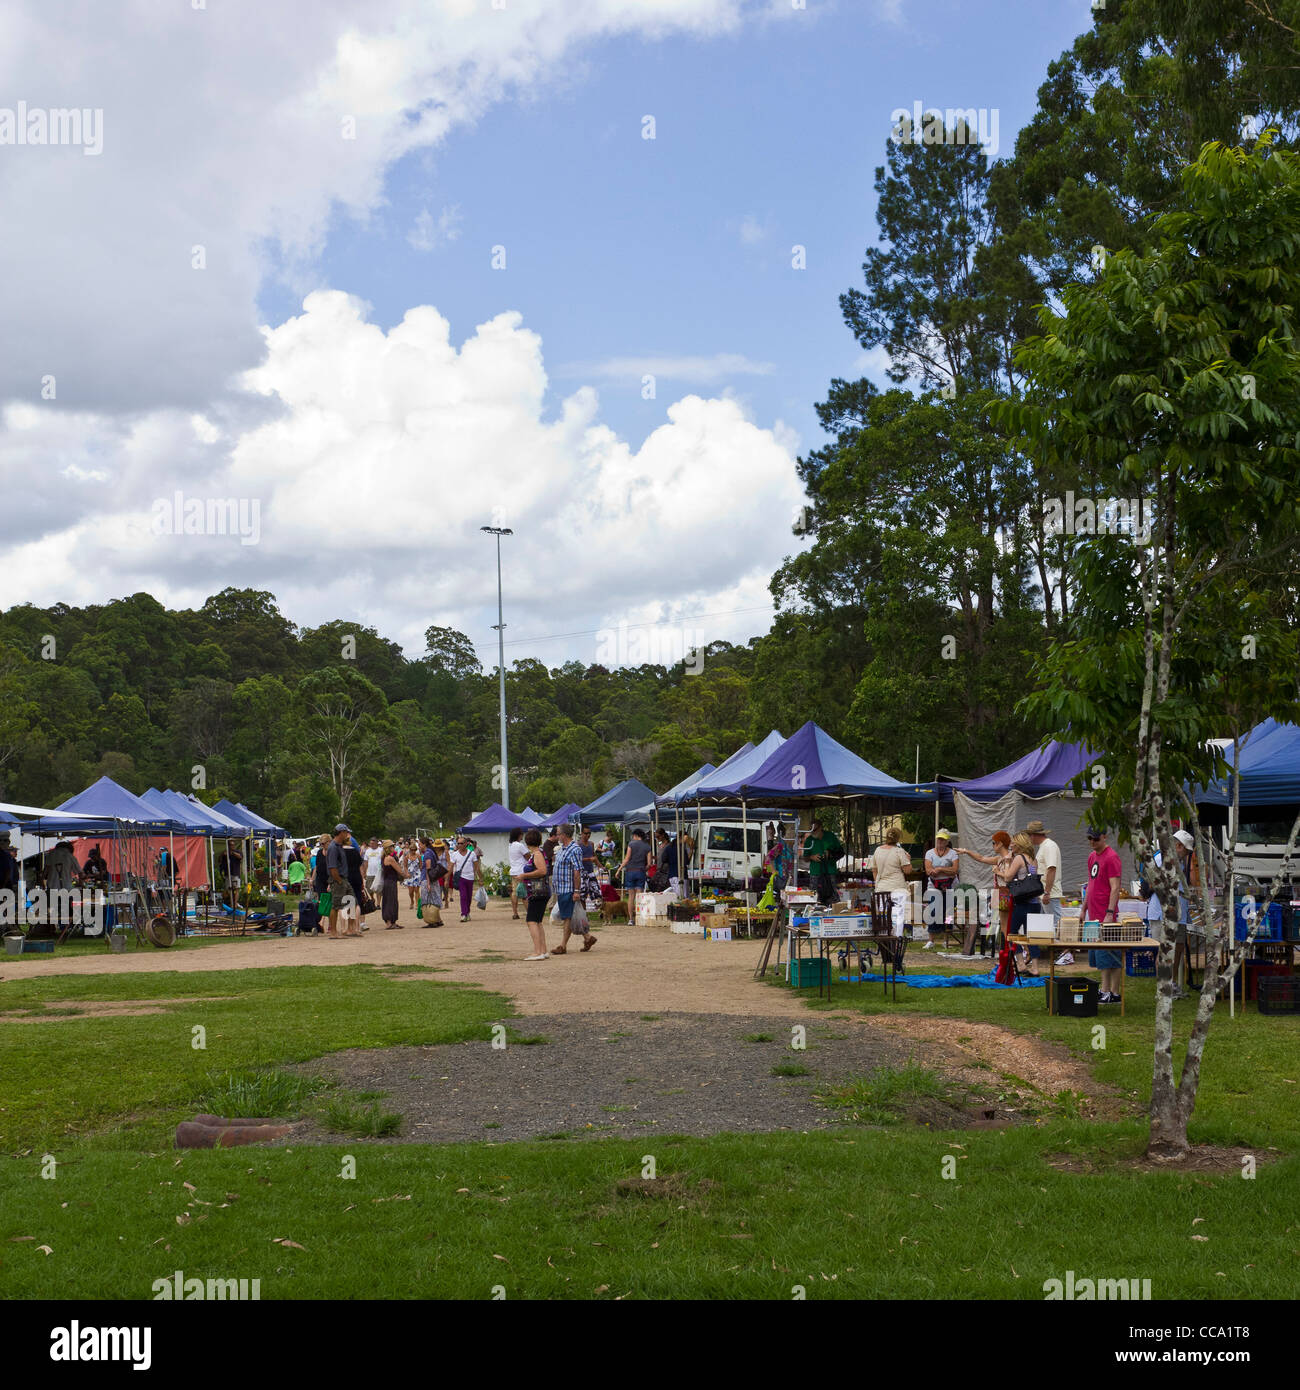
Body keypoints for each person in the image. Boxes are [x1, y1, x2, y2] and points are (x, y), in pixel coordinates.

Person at [955, 830, 1014, 955]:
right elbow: (981, 858)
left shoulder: (1008, 859)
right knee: (1003, 923)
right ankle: (1006, 949)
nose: (992, 846)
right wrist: (966, 851)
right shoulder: (1000, 859)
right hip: (1000, 892)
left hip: (1005, 892)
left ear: (1000, 844)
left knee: (1006, 923)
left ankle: (1008, 950)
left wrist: (998, 872)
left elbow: (1008, 878)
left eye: (994, 843)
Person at [1084, 826, 1123, 1003]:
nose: (1092, 842)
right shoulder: (1092, 856)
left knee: (1109, 954)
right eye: (1090, 839)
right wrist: (1083, 908)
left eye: (1096, 839)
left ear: (1104, 837)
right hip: (1093, 915)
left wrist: (1109, 911)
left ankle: (1109, 991)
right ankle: (1108, 990)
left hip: (1106, 915)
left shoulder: (1112, 857)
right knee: (1099, 955)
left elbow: (1115, 887)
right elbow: (1090, 885)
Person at [550, 823, 595, 955]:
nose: (556, 836)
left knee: (567, 917)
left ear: (564, 835)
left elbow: (577, 871)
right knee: (569, 915)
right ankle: (588, 938)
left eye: (558, 833)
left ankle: (563, 946)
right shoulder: (563, 848)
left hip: (568, 888)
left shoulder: (574, 849)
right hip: (561, 888)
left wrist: (576, 891)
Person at [1004, 831, 1041, 975]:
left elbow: (1008, 878)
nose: (1011, 845)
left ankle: (1020, 964)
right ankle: (1036, 968)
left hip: (1022, 903)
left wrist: (1007, 862)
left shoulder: (1019, 858)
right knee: (1032, 936)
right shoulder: (1033, 859)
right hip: (1034, 903)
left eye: (1014, 842)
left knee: (1011, 933)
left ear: (1020, 844)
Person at [870, 826, 912, 936]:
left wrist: (878, 883)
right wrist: (908, 859)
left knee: (883, 915)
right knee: (898, 915)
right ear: (898, 839)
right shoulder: (899, 851)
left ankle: (884, 937)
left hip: (881, 889)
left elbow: (874, 870)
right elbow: (907, 871)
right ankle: (897, 937)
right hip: (897, 888)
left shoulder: (877, 850)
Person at [519, 828, 551, 960]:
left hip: (537, 892)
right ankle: (543, 950)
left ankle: (537, 952)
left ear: (528, 841)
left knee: (531, 921)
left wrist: (524, 875)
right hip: (541, 892)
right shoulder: (540, 852)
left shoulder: (537, 854)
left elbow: (542, 871)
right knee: (537, 922)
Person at [802, 820, 845, 907]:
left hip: (830, 871)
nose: (813, 832)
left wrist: (830, 853)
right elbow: (805, 858)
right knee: (815, 898)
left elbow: (841, 852)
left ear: (821, 827)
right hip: (815, 873)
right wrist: (812, 857)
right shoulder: (809, 840)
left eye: (815, 829)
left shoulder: (830, 836)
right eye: (811, 830)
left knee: (833, 897)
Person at [325, 825, 356, 938]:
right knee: (336, 905)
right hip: (338, 879)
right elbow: (332, 867)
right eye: (346, 832)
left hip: (344, 878)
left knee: (352, 901)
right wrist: (338, 881)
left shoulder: (340, 846)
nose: (348, 835)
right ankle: (333, 931)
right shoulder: (333, 847)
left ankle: (350, 929)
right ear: (341, 832)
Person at [620, 828, 652, 924]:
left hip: (630, 872)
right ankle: (639, 918)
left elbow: (627, 859)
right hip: (640, 872)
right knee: (639, 896)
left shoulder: (631, 844)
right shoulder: (647, 847)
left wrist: (619, 869)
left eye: (633, 836)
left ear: (636, 836)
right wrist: (644, 869)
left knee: (631, 897)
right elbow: (649, 864)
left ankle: (631, 919)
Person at [451, 835, 480, 922]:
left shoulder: (472, 854)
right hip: (461, 878)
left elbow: (476, 866)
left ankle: (467, 912)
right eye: (458, 843)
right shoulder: (454, 854)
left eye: (461, 843)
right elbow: (451, 866)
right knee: (463, 896)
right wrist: (447, 878)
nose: (459, 845)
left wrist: (479, 877)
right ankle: (463, 914)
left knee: (469, 897)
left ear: (466, 844)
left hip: (470, 877)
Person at [379, 840, 403, 929]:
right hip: (390, 882)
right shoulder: (390, 858)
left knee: (390, 901)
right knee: (391, 902)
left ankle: (392, 922)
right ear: (389, 848)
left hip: (388, 881)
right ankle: (389, 922)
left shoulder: (384, 857)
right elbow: (399, 870)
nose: (394, 848)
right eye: (392, 846)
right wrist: (406, 875)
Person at [507, 828, 528, 922]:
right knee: (524, 893)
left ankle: (515, 913)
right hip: (521, 871)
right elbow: (528, 857)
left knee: (514, 893)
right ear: (519, 835)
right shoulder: (520, 845)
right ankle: (529, 912)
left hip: (513, 871)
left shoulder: (510, 845)